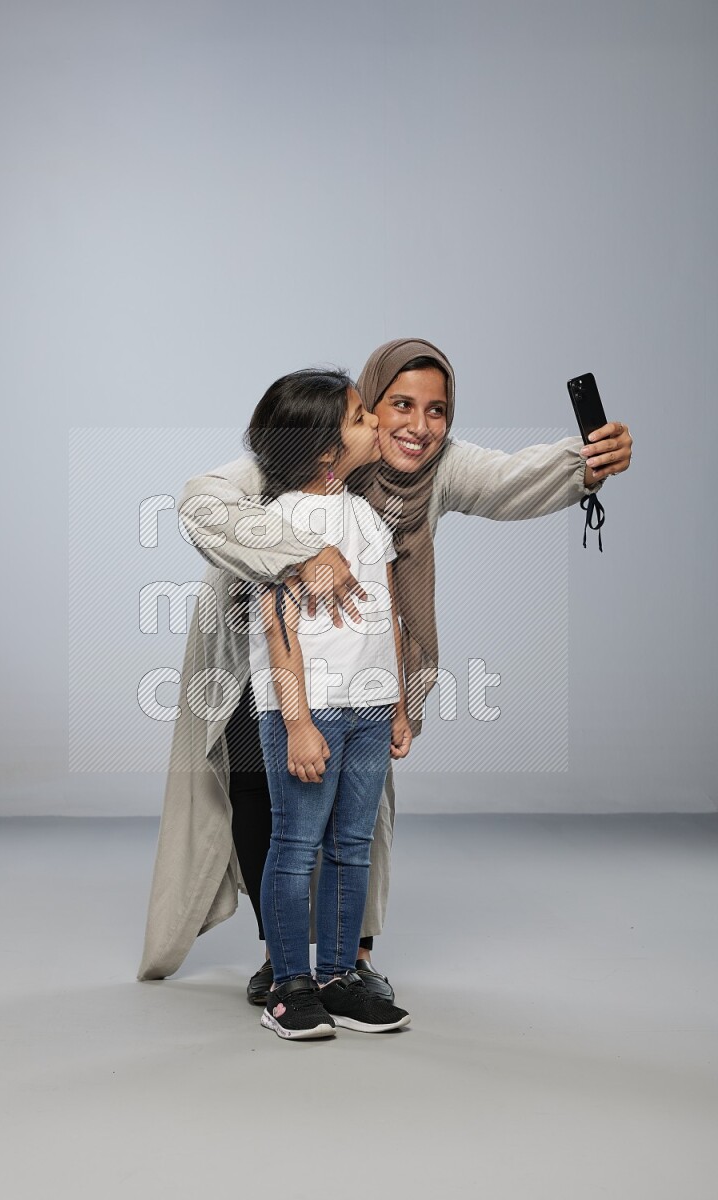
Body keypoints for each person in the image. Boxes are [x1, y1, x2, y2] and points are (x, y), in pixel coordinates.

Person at [137, 337, 633, 998]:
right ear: (364, 408)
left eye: (438, 410)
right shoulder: (295, 459)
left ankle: (351, 958)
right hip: (256, 644)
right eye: (398, 405)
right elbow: (203, 503)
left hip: (358, 663)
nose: (418, 426)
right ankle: (279, 959)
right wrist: (299, 552)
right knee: (262, 794)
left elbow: (511, 477)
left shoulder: (434, 469)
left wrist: (586, 461)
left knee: (358, 811)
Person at [243, 367, 412, 1039]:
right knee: (296, 843)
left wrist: (396, 704)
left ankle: (339, 977)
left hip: (370, 709)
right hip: (309, 714)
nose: (376, 424)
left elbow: (388, 614)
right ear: (322, 447)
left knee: (352, 845)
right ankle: (289, 986)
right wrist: (297, 721)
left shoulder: (368, 516)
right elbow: (276, 626)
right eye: (360, 418)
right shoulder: (277, 522)